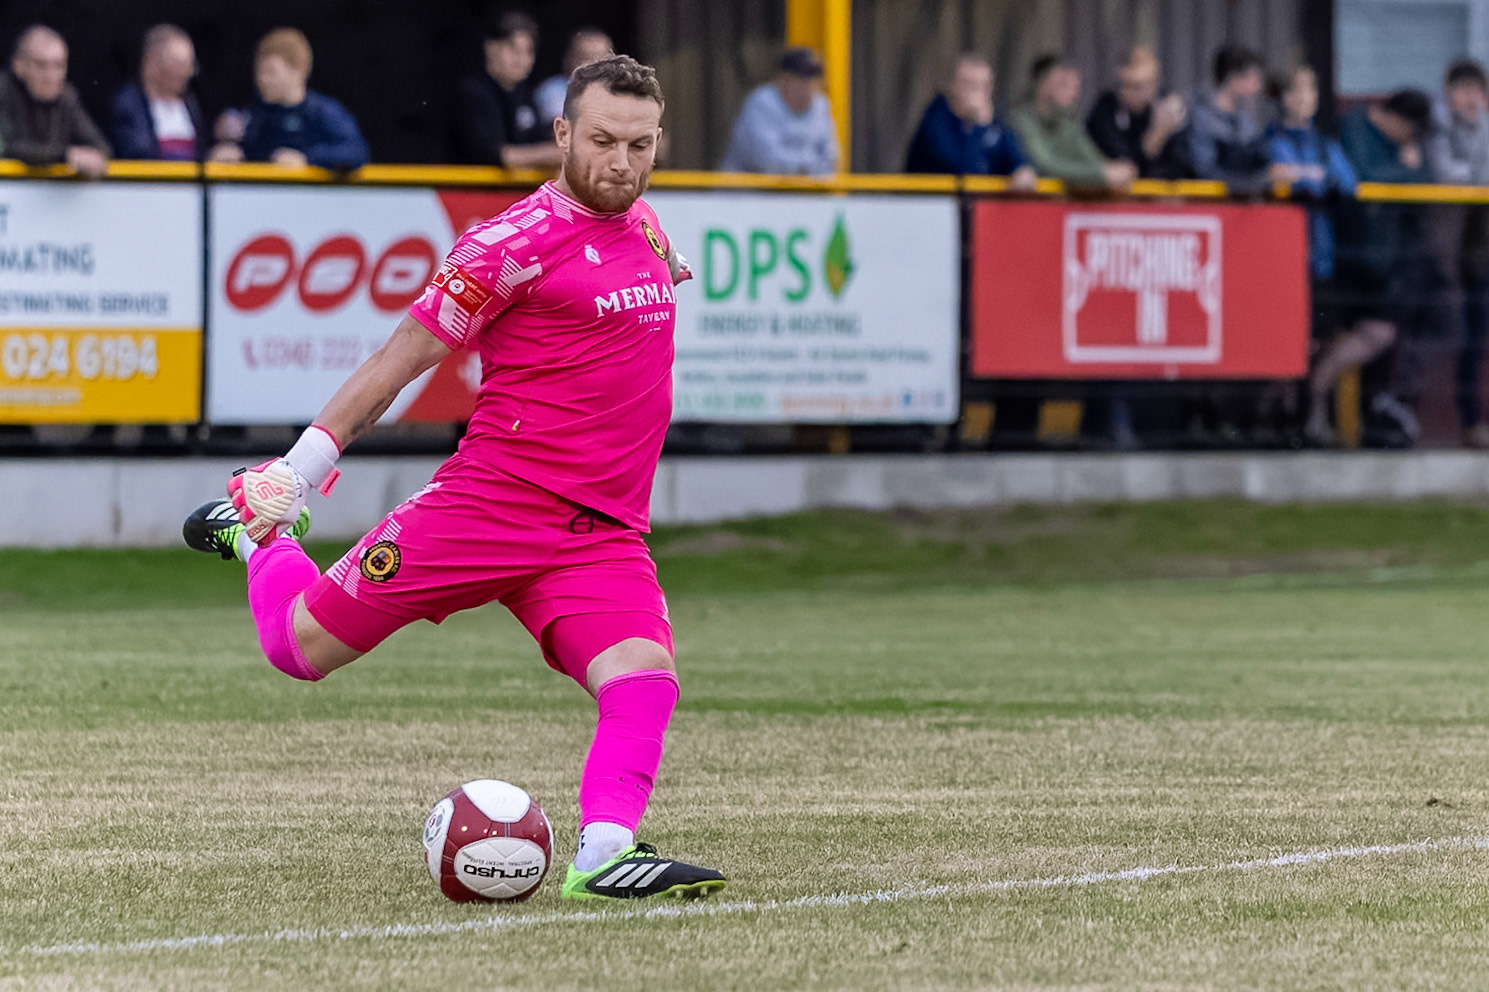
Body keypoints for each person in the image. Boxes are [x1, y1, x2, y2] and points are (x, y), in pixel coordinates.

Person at [181, 55, 726, 902]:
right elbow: (398, 362)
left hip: (599, 531)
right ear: (561, 134)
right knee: (299, 649)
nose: (622, 163)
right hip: (490, 504)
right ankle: (260, 536)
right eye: (603, 141)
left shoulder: (650, 228)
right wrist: (296, 470)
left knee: (644, 678)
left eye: (641, 144)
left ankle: (605, 855)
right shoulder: (505, 245)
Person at [1319, 89, 1438, 447]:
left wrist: (1410, 171)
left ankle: (1358, 421)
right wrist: (1406, 168)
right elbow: (1364, 174)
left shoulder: (1405, 146)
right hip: (1342, 257)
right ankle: (1313, 401)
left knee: (1381, 335)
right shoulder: (1354, 126)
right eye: (1413, 132)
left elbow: (1428, 178)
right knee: (1327, 338)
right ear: (1397, 120)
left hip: (1384, 263)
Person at [1262, 66, 1361, 445]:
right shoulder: (1270, 139)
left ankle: (1312, 416)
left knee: (1320, 342)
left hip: (1321, 259)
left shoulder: (1323, 144)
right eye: (1295, 91)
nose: (1303, 99)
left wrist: (1309, 176)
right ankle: (1283, 417)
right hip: (1284, 260)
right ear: (1283, 98)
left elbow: (1347, 181)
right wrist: (1313, 178)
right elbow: (1280, 174)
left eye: (1310, 91)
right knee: (1288, 342)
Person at [1426, 59, 1489, 446]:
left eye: (1474, 90)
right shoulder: (1438, 132)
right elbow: (1446, 173)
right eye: (1460, 90)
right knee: (1467, 339)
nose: (1468, 99)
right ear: (1448, 94)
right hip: (1452, 257)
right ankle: (1471, 423)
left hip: (1481, 252)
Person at [209, 28, 368, 170]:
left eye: (271, 72)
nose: (262, 79)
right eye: (259, 72)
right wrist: (227, 150)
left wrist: (306, 159)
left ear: (297, 72)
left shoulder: (321, 111)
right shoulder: (255, 115)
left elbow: (355, 151)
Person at [904, 52, 1036, 188]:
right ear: (952, 85)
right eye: (971, 84)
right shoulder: (936, 120)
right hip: (928, 204)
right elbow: (963, 171)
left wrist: (1022, 170)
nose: (978, 92)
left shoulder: (993, 123)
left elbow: (1015, 157)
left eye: (984, 85)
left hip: (980, 207)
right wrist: (979, 127)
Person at [451, 11, 562, 169]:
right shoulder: (472, 93)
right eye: (513, 48)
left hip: (513, 192)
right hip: (466, 191)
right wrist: (550, 154)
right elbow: (492, 154)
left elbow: (535, 138)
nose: (521, 59)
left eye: (528, 51)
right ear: (490, 47)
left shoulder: (527, 95)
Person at [1010, 55, 1136, 191]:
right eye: (1063, 84)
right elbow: (1045, 164)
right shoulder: (1020, 120)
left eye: (1075, 87)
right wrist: (1100, 174)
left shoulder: (1067, 125)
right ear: (1043, 84)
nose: (1073, 94)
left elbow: (1092, 159)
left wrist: (1112, 170)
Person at [0, 25, 109, 176]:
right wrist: (65, 156)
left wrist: (91, 156)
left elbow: (101, 147)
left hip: (54, 195)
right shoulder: (4, 92)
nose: (51, 76)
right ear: (19, 66)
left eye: (58, 65)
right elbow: (8, 147)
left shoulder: (67, 97)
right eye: (41, 65)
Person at [719, 47, 838, 174]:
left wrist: (802, 166)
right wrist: (810, 165)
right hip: (745, 191)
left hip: (799, 192)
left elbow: (831, 160)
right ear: (782, 80)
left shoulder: (820, 105)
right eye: (801, 81)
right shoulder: (762, 102)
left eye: (813, 81)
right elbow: (767, 162)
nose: (808, 88)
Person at [1085, 46, 1191, 179]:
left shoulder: (1164, 105)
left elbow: (1182, 168)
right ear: (1120, 85)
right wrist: (1157, 134)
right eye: (1136, 86)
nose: (1145, 94)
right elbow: (1126, 168)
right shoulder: (1104, 112)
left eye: (1150, 84)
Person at [1187, 45, 1281, 194]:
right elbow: (1205, 172)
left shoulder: (1246, 121)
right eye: (1254, 79)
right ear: (1234, 78)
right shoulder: (1200, 117)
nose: (1258, 88)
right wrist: (1259, 181)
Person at [109, 24, 204, 161]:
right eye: (180, 64)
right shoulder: (128, 104)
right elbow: (136, 152)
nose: (189, 73)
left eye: (191, 65)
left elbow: (201, 152)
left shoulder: (191, 104)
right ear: (151, 64)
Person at [534, 28, 613, 125]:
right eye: (586, 57)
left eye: (602, 57)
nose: (595, 64)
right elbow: (564, 129)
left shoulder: (620, 91)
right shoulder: (551, 90)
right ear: (569, 58)